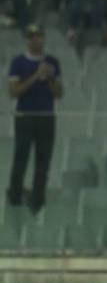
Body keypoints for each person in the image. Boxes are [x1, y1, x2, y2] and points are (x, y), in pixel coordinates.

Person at [6, 24, 63, 213]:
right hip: (25, 116)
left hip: (46, 116)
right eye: (32, 36)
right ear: (27, 40)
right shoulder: (18, 62)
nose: (35, 40)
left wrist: (48, 79)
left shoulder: (53, 62)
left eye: (38, 36)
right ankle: (14, 197)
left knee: (43, 162)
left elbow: (59, 93)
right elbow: (14, 91)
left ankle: (38, 201)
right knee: (20, 159)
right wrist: (34, 76)